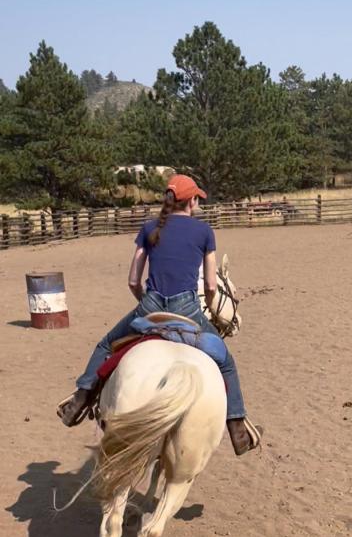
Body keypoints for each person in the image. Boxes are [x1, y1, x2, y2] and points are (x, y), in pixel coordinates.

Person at [57, 174, 261, 456]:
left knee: (105, 345)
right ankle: (238, 430)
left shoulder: (149, 228)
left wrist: (146, 305)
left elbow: (132, 280)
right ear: (191, 200)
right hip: (187, 308)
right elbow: (211, 285)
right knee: (226, 362)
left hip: (150, 306)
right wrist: (211, 308)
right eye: (198, 198)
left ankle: (79, 400)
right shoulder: (204, 232)